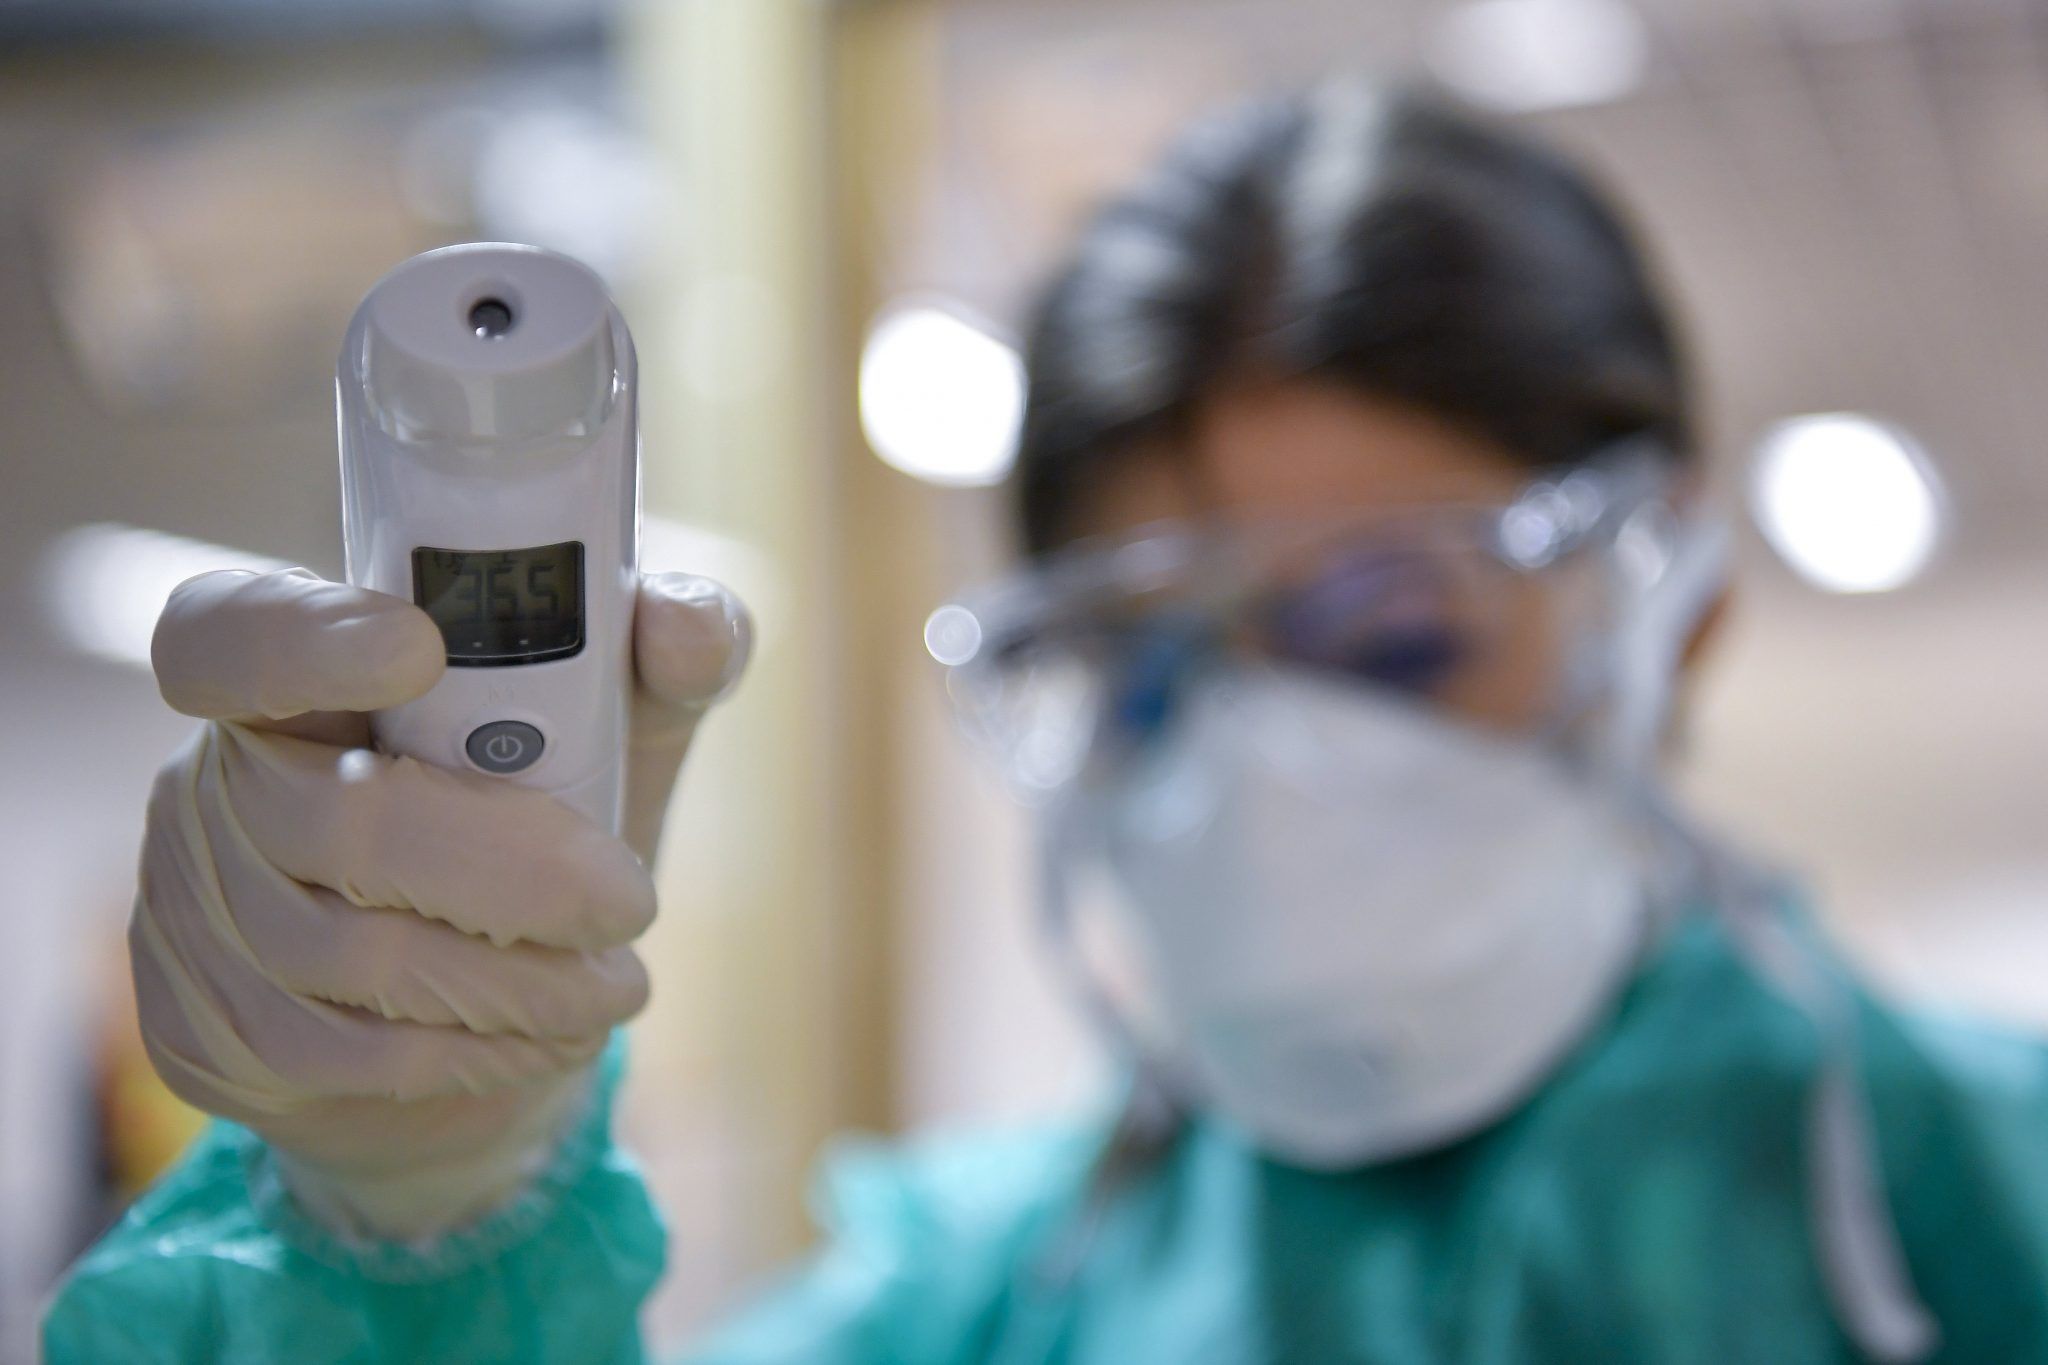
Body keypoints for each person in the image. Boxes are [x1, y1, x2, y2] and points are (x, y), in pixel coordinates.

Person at [40, 83, 2048, 1364]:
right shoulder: (986, 1305)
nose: (1260, 765)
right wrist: (414, 1224)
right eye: (1147, 669)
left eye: (1389, 633)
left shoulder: (1995, 1205)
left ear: (1672, 610)